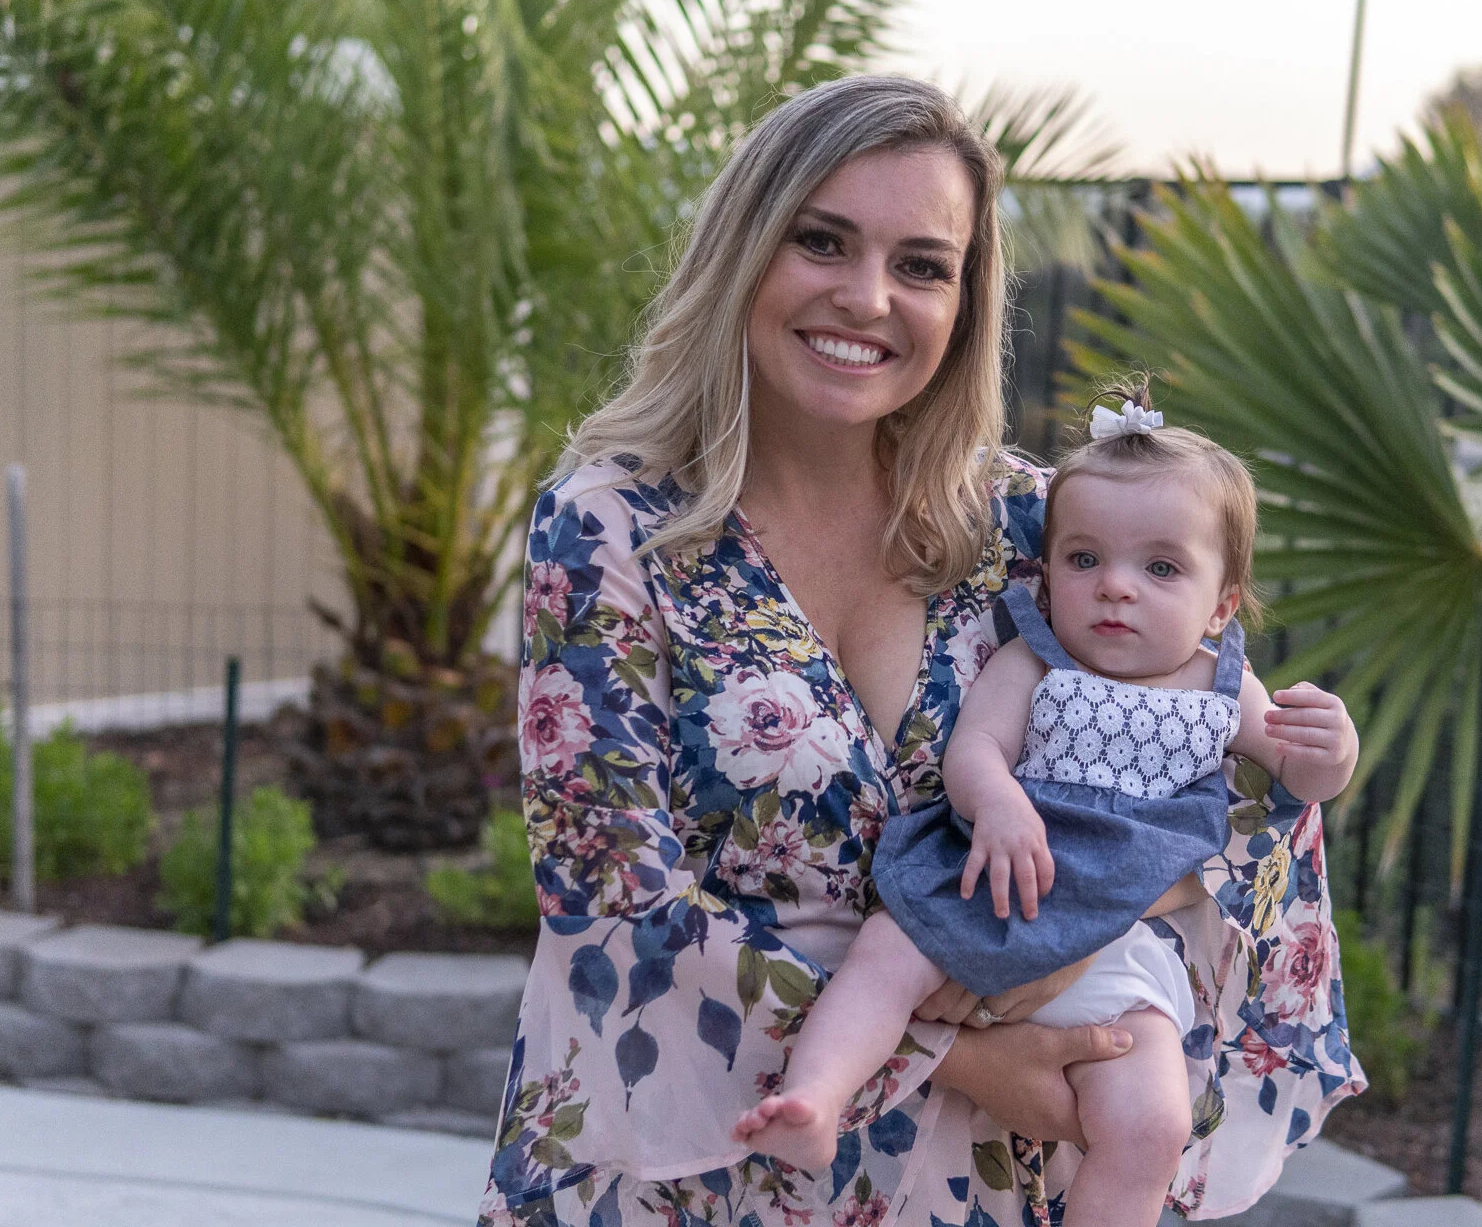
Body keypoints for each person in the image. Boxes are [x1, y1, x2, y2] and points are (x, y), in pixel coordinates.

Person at [478, 75, 1365, 1227]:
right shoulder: (612, 525)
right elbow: (608, 895)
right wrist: (960, 1053)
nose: (867, 297)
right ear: (745, 247)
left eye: (922, 264)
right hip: (694, 1178)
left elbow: (1229, 787)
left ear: (965, 300)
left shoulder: (1040, 530)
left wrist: (1107, 971)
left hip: (979, 1184)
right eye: (822, 240)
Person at [729, 396, 1360, 1227]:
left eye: (1161, 569)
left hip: (1118, 946)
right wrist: (996, 803)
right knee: (885, 957)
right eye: (1084, 558)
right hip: (996, 882)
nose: (1115, 587)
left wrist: (1332, 751)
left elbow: (1296, 787)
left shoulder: (1224, 687)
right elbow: (975, 750)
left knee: (1152, 1125)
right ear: (1049, 571)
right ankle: (816, 1095)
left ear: (1221, 605)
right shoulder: (1037, 661)